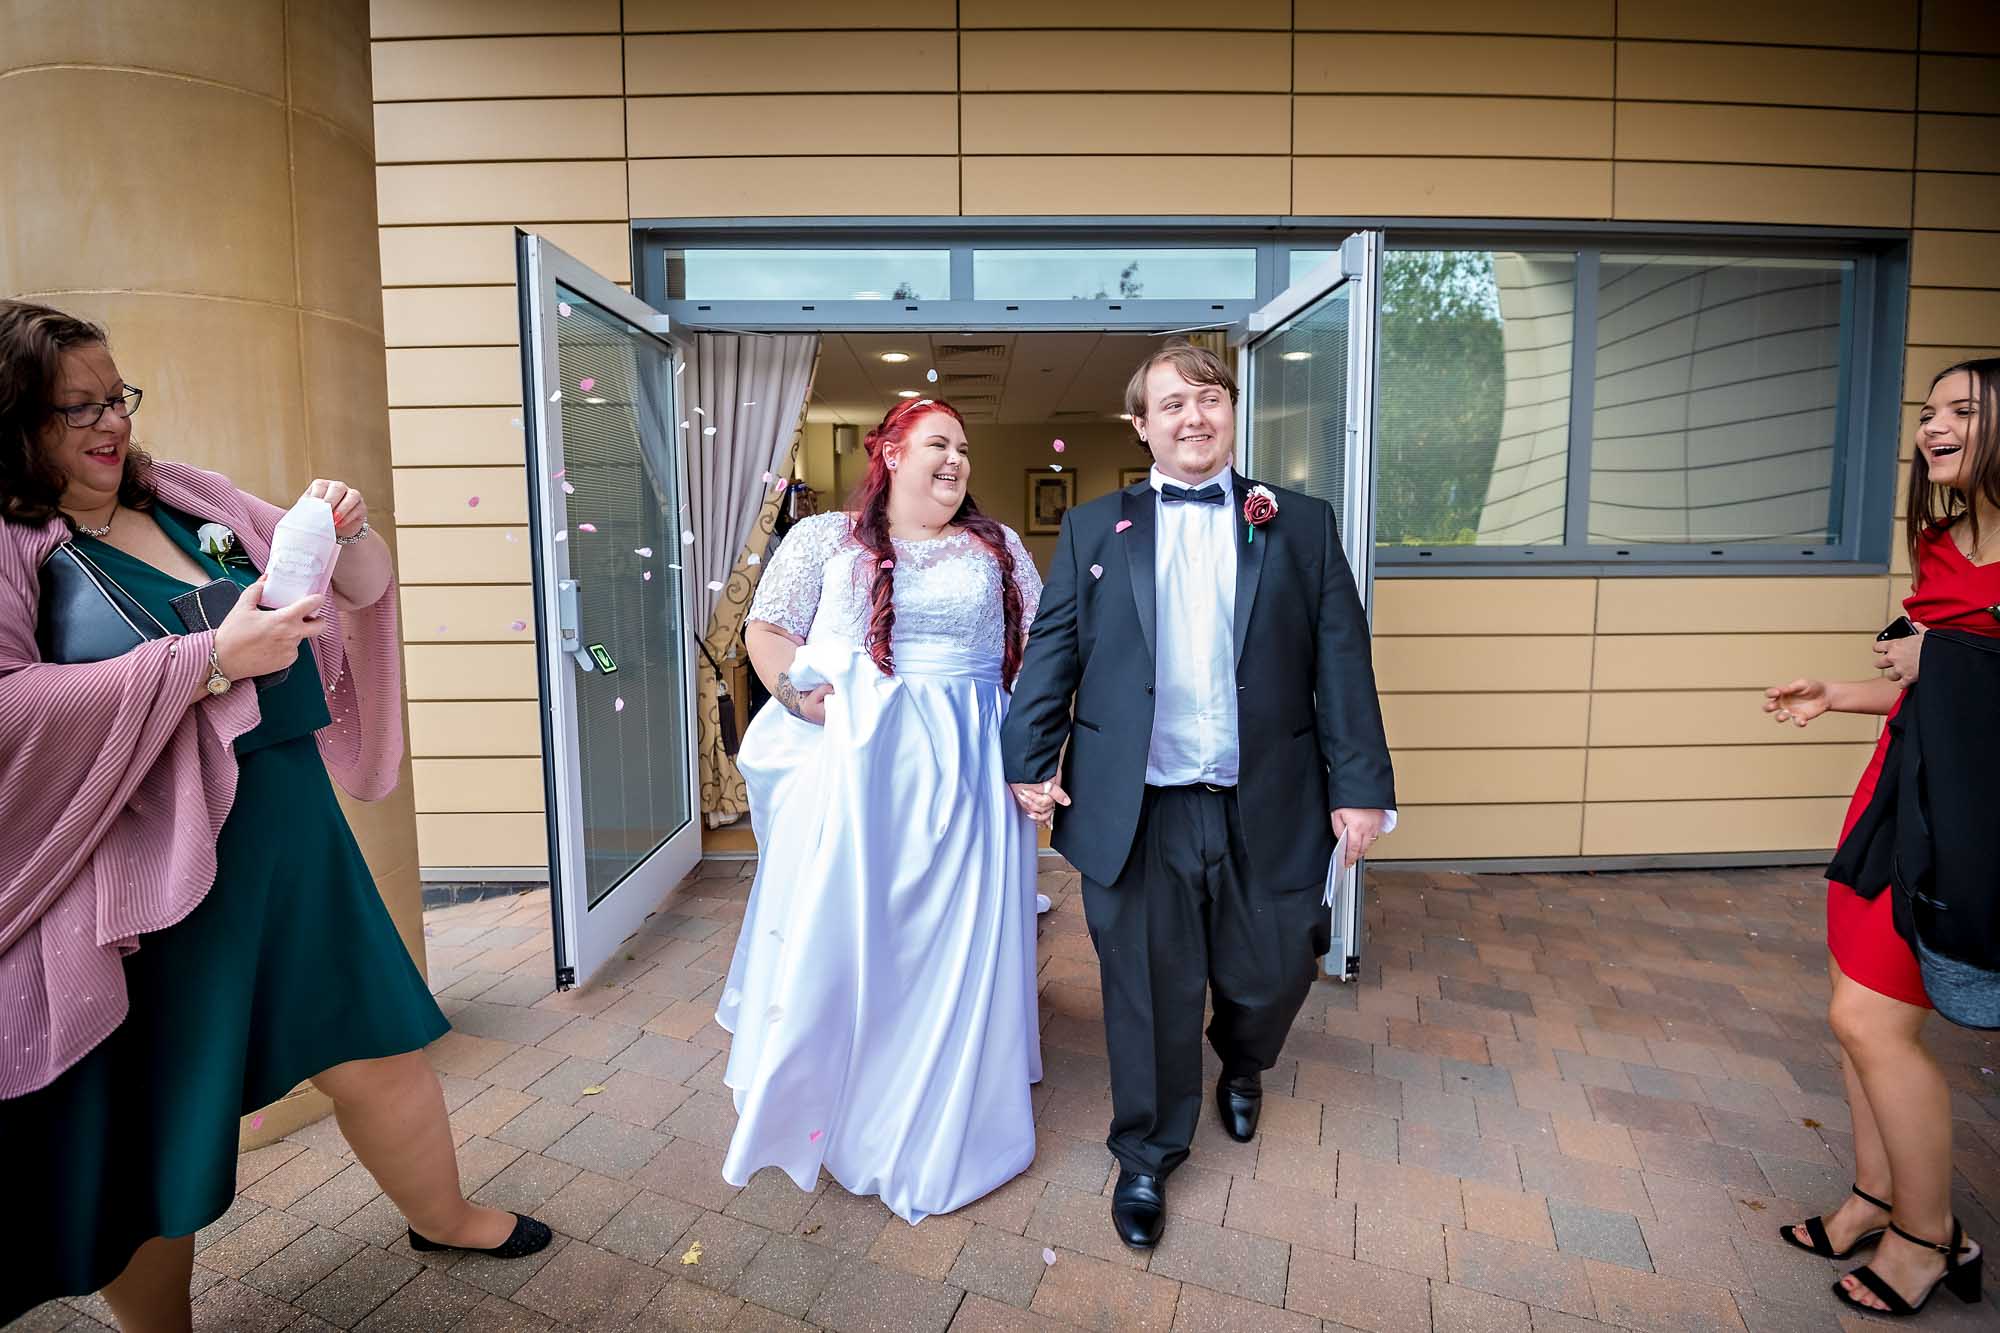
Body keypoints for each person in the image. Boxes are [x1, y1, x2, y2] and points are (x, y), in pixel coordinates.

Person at [0, 301, 549, 1330]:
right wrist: (204, 659)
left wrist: (350, 530)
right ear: (15, 421)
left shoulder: (184, 498)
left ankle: (447, 1214)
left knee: (375, 1042)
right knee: (164, 1122)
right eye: (76, 407)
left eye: (116, 394)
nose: (109, 422)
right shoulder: (13, 545)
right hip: (156, 877)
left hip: (295, 837)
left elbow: (357, 586)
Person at [1001, 340, 1396, 1249]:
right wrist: (1030, 758)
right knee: (1146, 987)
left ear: (1230, 413)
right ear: (1141, 425)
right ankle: (1146, 1151)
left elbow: (1341, 661)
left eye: (1209, 397)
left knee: (1276, 967)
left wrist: (1361, 786)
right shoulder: (1100, 529)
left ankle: (1245, 1058)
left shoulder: (1297, 522)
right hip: (1136, 805)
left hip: (1272, 795)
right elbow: (1056, 649)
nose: (1194, 416)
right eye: (1172, 403)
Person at [718, 396, 1043, 1223]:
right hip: (858, 766)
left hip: (968, 766)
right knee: (858, 932)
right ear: (892, 453)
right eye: (939, 443)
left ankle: (942, 1092)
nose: (956, 460)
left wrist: (1037, 753)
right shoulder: (825, 537)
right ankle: (848, 1092)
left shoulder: (998, 546)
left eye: (964, 448)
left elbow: (1044, 648)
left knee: (948, 939)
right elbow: (768, 632)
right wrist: (806, 703)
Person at [1766, 358, 1995, 1317]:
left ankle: (1931, 1236)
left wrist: (1936, 655)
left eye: (1962, 409)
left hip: (1973, 815)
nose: (1931, 425)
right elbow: (1924, 683)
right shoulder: (1942, 545)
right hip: (1895, 791)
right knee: (1848, 1003)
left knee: (1874, 1019)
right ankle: (1874, 1195)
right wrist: (1843, 692)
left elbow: (1959, 675)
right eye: (1928, 410)